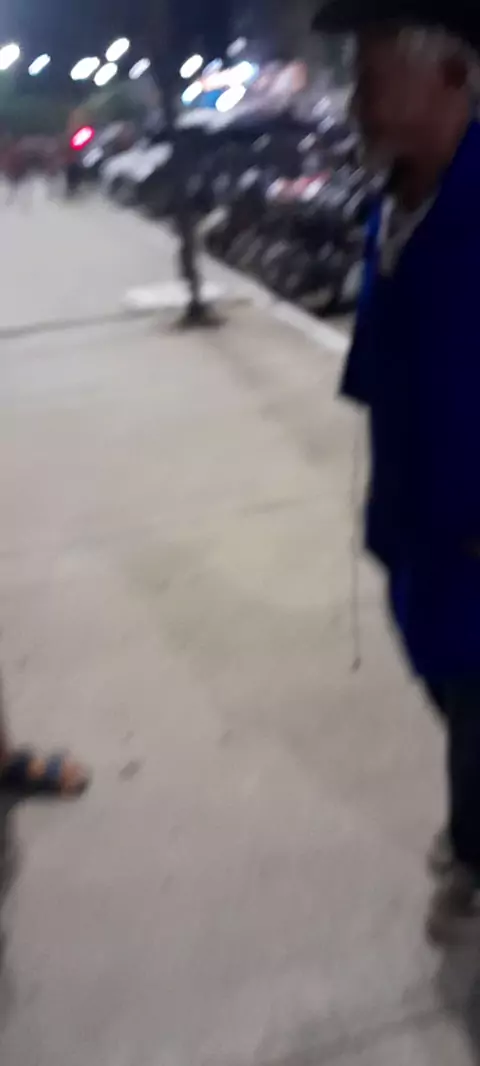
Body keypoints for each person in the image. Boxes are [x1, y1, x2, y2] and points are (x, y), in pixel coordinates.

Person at [314, 0, 480, 943]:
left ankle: (472, 853)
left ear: (452, 77)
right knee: (452, 694)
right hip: (420, 536)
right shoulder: (396, 203)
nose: (356, 100)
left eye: (376, 77)